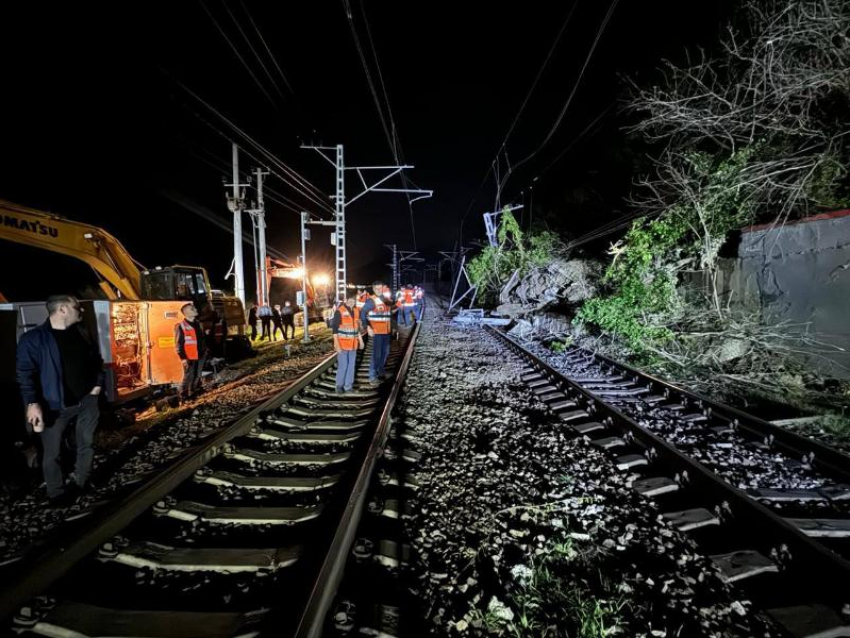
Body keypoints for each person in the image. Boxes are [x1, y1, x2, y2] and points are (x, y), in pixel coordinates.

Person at [16, 295, 104, 506]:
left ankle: (81, 482)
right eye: (77, 307)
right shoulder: (33, 339)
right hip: (55, 406)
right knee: (52, 452)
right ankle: (56, 494)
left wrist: (98, 384)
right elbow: (25, 373)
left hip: (87, 401)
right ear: (63, 310)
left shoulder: (82, 332)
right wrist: (32, 403)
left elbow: (95, 359)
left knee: (87, 444)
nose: (80, 311)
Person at [329, 291, 365, 393]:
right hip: (343, 344)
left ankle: (348, 387)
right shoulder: (339, 311)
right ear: (346, 300)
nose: (351, 302)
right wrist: (336, 344)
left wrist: (361, 341)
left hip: (353, 344)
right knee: (343, 366)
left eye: (353, 301)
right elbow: (335, 329)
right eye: (350, 300)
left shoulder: (357, 311)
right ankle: (339, 386)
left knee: (351, 366)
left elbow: (357, 328)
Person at [174, 302, 209, 401]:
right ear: (186, 313)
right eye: (192, 308)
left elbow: (201, 339)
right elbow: (178, 344)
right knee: (188, 376)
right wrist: (183, 358)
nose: (195, 309)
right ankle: (183, 396)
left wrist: (205, 349)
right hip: (189, 357)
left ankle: (192, 393)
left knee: (197, 375)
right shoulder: (181, 326)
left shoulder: (198, 324)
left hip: (200, 355)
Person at [361, 281, 393, 385]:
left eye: (381, 288)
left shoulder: (385, 299)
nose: (380, 290)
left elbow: (388, 315)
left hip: (386, 331)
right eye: (377, 289)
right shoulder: (372, 301)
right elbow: (363, 312)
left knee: (386, 352)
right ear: (374, 289)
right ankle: (372, 376)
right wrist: (367, 327)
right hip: (377, 332)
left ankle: (381, 372)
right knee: (377, 355)